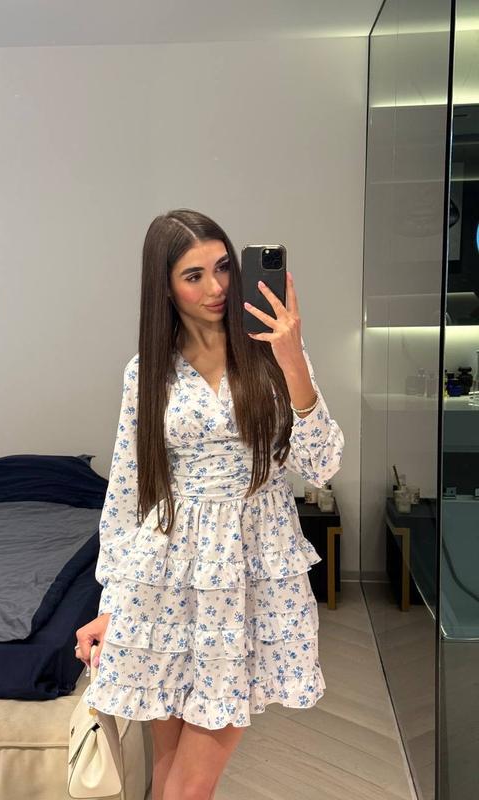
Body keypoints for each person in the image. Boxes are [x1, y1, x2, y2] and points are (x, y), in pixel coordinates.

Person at [75, 208, 345, 800]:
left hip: (250, 571)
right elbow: (128, 494)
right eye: (193, 275)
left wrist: (293, 359)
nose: (217, 287)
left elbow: (321, 464)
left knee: (188, 788)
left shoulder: (272, 354)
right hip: (167, 575)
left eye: (223, 267)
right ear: (165, 287)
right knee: (170, 778)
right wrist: (111, 605)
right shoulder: (148, 372)